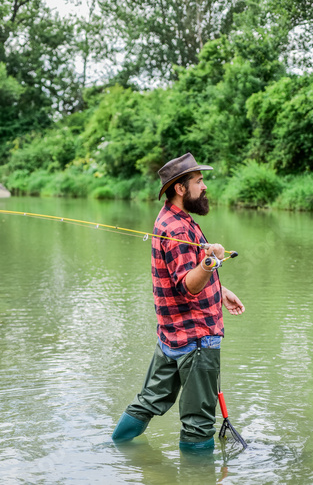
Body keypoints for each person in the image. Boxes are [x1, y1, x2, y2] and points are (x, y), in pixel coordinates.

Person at [112, 153, 245, 451]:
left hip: (171, 336)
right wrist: (212, 262)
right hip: (196, 339)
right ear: (181, 189)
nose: (205, 186)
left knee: (147, 402)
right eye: (199, 181)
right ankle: (198, 478)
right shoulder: (179, 229)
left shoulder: (169, 219)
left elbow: (179, 275)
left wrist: (220, 290)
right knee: (198, 426)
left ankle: (112, 451)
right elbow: (187, 286)